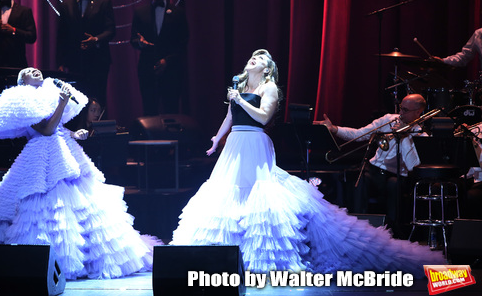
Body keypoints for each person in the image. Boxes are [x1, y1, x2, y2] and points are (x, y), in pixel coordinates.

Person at [170, 50, 444, 276]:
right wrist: (217, 140)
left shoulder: (269, 88)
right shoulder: (240, 87)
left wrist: (240, 99)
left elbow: (264, 118)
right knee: (228, 194)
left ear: (267, 69)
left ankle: (264, 259)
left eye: (261, 58)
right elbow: (230, 116)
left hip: (254, 141)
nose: (255, 58)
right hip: (235, 144)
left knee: (257, 194)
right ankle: (221, 258)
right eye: (253, 56)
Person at [0, 68, 155, 280]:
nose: (34, 70)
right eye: (28, 71)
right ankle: (41, 261)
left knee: (82, 201)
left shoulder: (47, 95)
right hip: (41, 158)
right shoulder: (24, 101)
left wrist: (75, 135)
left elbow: (58, 129)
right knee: (40, 202)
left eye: (35, 69)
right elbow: (46, 129)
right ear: (22, 81)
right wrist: (62, 103)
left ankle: (85, 259)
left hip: (63, 152)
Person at [315, 94, 427, 236]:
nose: (401, 113)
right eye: (400, 108)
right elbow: (359, 134)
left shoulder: (421, 135)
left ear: (418, 112)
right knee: (359, 179)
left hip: (398, 177)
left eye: (405, 110)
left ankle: (393, 232)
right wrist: (334, 129)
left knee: (394, 184)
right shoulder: (388, 120)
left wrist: (404, 137)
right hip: (375, 171)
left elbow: (413, 167)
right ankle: (355, 228)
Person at [130, 0, 189, 115]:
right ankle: (151, 137)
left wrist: (166, 61)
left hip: (172, 70)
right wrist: (139, 43)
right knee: (149, 109)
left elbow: (183, 42)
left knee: (171, 108)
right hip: (147, 69)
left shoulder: (178, 13)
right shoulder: (140, 12)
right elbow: (132, 39)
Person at [57, 0, 115, 109]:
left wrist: (95, 39)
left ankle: (99, 129)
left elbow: (111, 30)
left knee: (98, 97)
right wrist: (60, 62)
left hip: (98, 61)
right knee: (76, 100)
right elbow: (61, 36)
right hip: (74, 63)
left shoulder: (103, 2)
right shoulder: (66, 5)